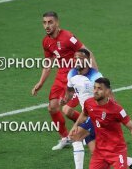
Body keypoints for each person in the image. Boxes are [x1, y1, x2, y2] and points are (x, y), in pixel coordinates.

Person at [60, 50, 132, 169]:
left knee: (76, 137)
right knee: (97, 153)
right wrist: (65, 98)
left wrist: (111, 112)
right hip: (87, 113)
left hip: (97, 115)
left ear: (87, 60)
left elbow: (109, 94)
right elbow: (69, 89)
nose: (77, 60)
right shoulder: (72, 73)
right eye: (75, 58)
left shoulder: (95, 76)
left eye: (80, 58)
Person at [31, 11, 97, 150]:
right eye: (44, 23)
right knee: (52, 107)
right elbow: (48, 63)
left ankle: (91, 128)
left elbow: (88, 53)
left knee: (67, 110)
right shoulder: (46, 41)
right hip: (61, 77)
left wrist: (96, 76)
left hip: (75, 78)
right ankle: (65, 138)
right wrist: (40, 83)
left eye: (50, 22)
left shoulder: (67, 37)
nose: (47, 25)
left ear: (57, 23)